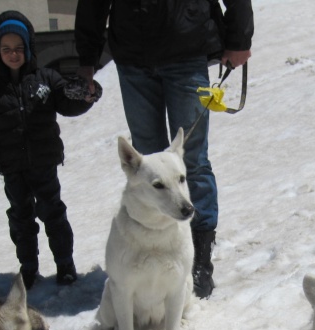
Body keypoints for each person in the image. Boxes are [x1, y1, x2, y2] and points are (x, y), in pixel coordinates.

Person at [74, 0, 254, 299]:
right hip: (133, 55)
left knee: (191, 162)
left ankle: (198, 261)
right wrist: (86, 58)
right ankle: (158, 257)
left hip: (187, 44)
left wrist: (239, 38)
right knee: (146, 169)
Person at [0, 11, 97, 288]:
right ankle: (28, 267)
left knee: (53, 213)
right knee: (21, 218)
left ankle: (65, 264)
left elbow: (67, 100)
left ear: (28, 48)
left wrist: (86, 94)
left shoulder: (46, 79)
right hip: (12, 166)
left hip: (44, 162)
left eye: (18, 48)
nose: (13, 54)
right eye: (6, 49)